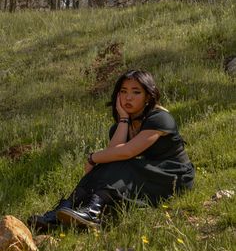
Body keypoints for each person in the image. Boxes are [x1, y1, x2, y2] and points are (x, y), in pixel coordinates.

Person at [28, 69, 195, 230]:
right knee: (111, 161)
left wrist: (92, 157)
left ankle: (92, 210)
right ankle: (66, 208)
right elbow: (112, 155)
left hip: (173, 176)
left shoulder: (160, 119)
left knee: (120, 162)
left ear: (147, 97)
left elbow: (126, 152)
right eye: (123, 91)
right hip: (147, 173)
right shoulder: (120, 127)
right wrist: (123, 119)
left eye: (136, 92)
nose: (128, 97)